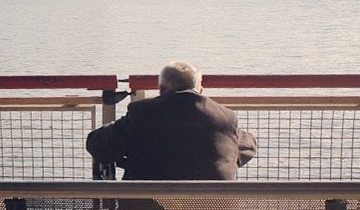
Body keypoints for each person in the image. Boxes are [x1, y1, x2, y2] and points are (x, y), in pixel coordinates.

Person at [86, 61, 257, 180]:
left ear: (161, 89)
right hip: (211, 205)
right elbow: (247, 146)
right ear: (201, 90)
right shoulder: (226, 117)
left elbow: (97, 144)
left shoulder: (142, 113)